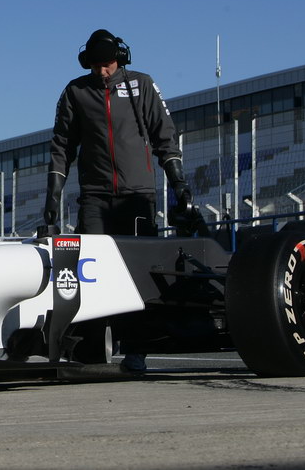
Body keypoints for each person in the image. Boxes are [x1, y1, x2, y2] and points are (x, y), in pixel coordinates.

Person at [42, 29, 188, 373]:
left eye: (106, 65)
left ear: (120, 59)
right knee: (87, 272)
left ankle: (137, 349)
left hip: (138, 197)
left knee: (140, 275)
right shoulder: (75, 92)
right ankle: (91, 349)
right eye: (95, 66)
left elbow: (164, 136)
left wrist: (178, 181)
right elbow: (62, 146)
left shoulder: (142, 85)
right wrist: (53, 194)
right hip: (94, 197)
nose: (101, 72)